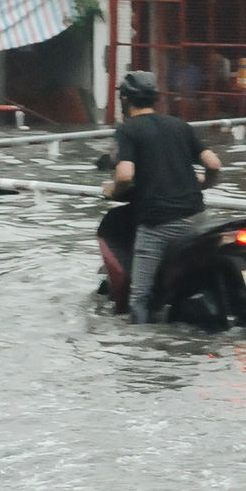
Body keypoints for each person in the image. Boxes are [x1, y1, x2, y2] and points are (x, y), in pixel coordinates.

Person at [103, 70, 224, 323]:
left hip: (159, 227)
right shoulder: (179, 125)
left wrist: (112, 191)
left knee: (139, 298)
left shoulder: (128, 131)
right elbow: (213, 165)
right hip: (199, 220)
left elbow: (125, 176)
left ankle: (143, 354)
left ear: (124, 100)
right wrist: (199, 185)